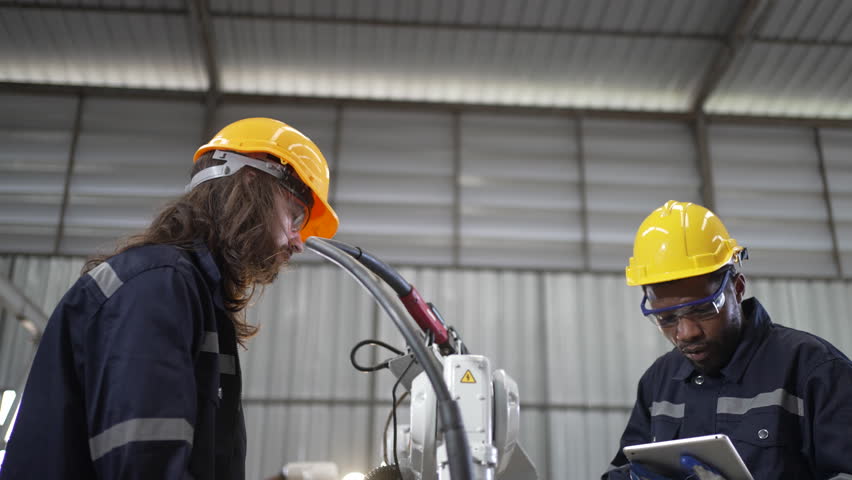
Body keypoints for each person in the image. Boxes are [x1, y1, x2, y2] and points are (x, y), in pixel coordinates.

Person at [0, 117, 338, 479]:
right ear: (251, 182)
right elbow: (144, 468)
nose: (298, 242)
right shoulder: (157, 287)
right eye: (295, 215)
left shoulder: (192, 297)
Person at [602, 200, 852, 480]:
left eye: (703, 309)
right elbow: (622, 468)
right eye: (666, 318)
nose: (686, 332)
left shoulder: (812, 372)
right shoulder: (659, 382)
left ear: (738, 287)